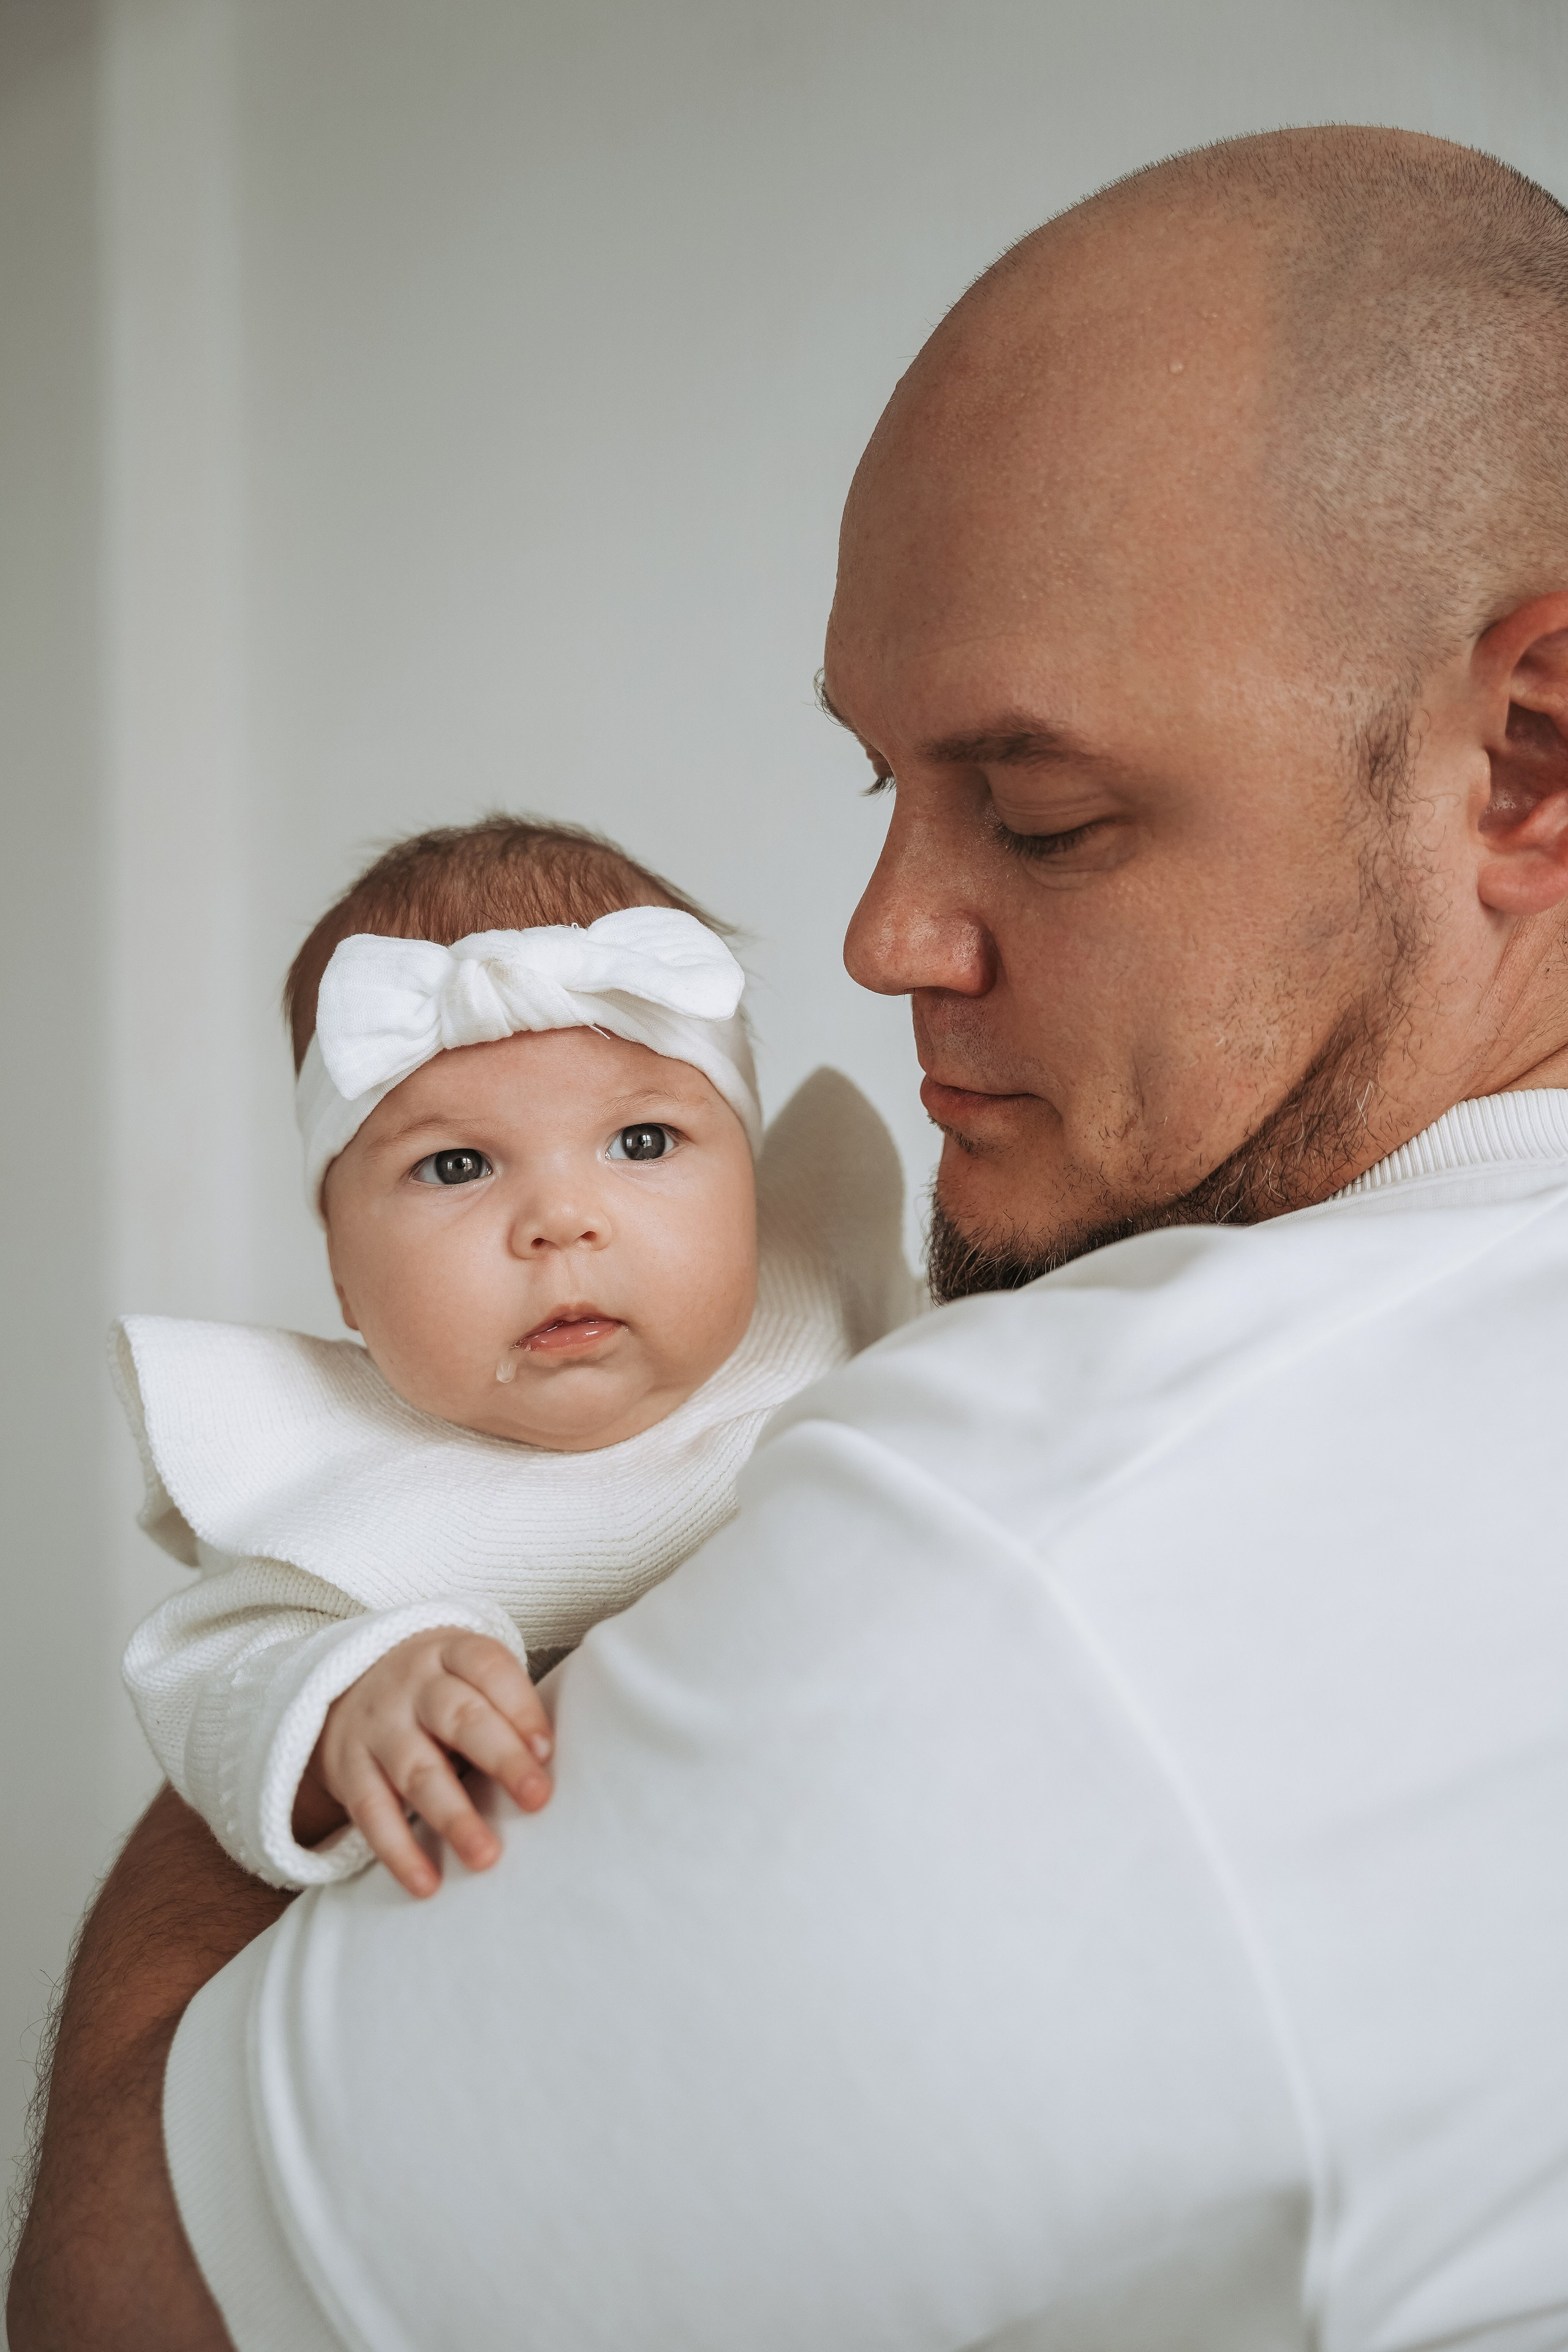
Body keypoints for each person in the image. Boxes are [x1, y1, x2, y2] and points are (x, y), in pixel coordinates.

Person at [12, 123, 1568, 2351]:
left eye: (1042, 813)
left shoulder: (1046, 1554)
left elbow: (120, 2300)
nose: (880, 933)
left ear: (1531, 749)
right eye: (882, 786)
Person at [113, 815, 910, 1898]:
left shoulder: (848, 1321)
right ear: (344, 1277)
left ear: (752, 1190)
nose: (560, 1221)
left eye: (641, 1143)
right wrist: (350, 1701)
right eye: (456, 1164)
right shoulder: (334, 1491)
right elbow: (208, 1680)